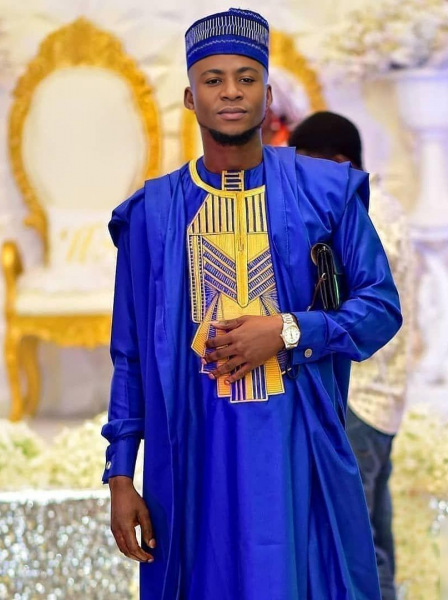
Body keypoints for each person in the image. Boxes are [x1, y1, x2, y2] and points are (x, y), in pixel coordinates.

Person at [101, 10, 402, 600]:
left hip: (297, 453)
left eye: (246, 78)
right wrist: (119, 474)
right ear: (190, 98)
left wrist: (288, 330)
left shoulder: (326, 193)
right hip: (191, 459)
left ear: (267, 93)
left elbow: (380, 307)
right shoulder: (151, 215)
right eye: (213, 80)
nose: (231, 92)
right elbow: (129, 355)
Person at [289, 111, 413, 600]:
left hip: (356, 396)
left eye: (308, 166)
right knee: (374, 539)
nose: (302, 182)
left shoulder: (360, 212)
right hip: (383, 400)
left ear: (340, 163)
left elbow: (367, 310)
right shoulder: (390, 209)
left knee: (351, 546)